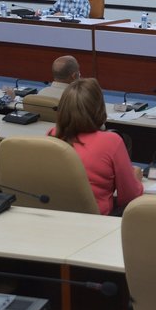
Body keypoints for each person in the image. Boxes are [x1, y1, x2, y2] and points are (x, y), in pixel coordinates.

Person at [49, 78, 144, 215]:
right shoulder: (111, 141)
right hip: (97, 221)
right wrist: (136, 179)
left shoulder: (52, 136)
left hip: (57, 216)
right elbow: (129, 197)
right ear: (99, 107)